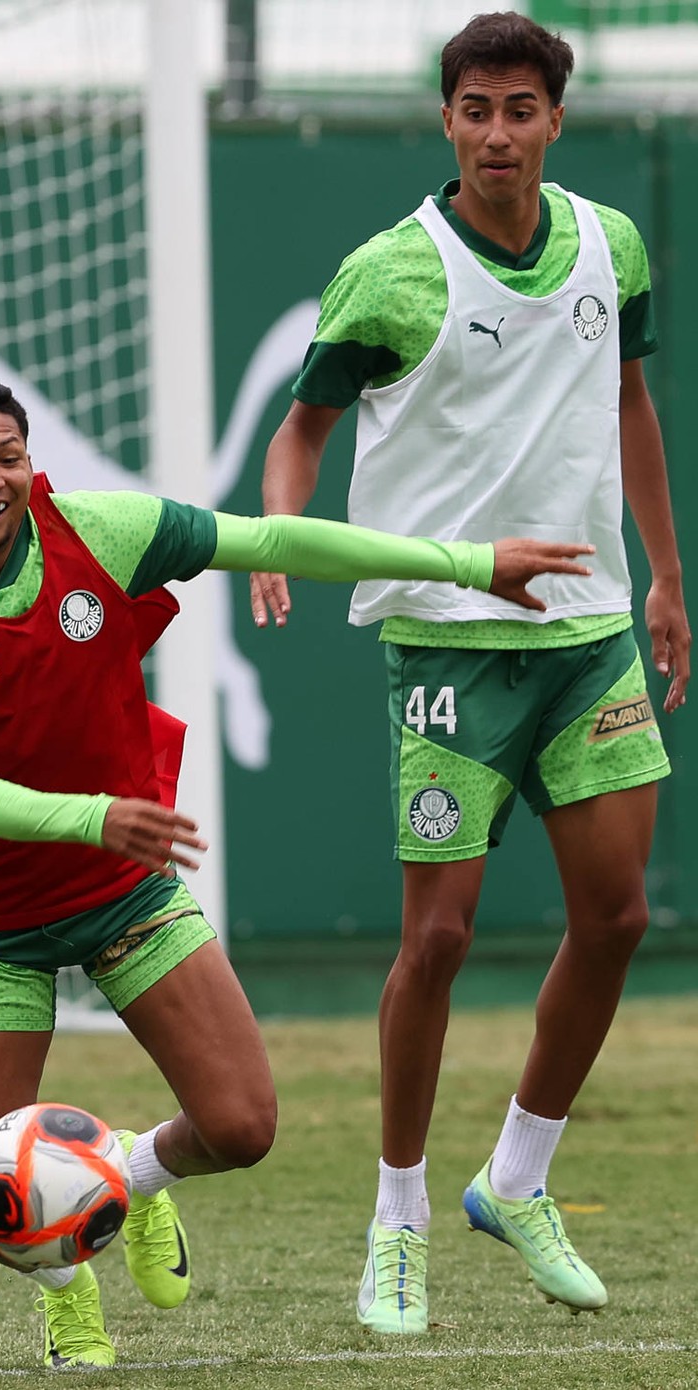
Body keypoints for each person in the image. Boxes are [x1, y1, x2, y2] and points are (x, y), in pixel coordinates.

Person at [0, 374, 591, 1369]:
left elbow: (276, 542)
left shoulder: (104, 533)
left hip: (123, 890)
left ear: (31, 463)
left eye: (7, 456)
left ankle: (122, 1173)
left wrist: (466, 561)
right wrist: (99, 815)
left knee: (242, 1125)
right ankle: (69, 1298)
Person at [250, 10, 689, 1338]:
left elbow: (629, 403)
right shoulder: (390, 270)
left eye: (521, 109)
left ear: (558, 118)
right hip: (447, 642)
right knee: (435, 940)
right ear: (444, 120)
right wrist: (277, 542)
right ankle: (397, 1217)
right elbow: (301, 428)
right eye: (475, 109)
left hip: (591, 630)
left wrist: (667, 577)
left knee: (615, 919)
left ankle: (519, 1177)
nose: (498, 132)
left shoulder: (611, 243)